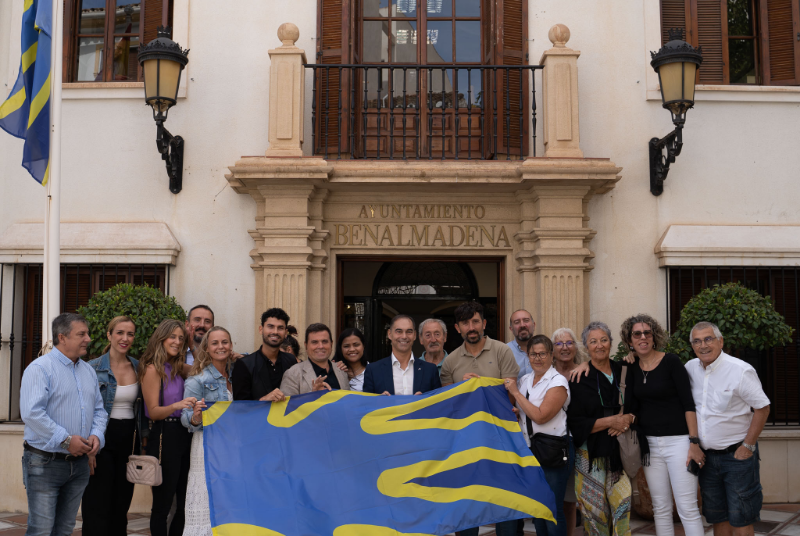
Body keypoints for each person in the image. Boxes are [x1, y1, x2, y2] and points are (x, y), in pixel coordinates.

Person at [20, 313, 107, 536]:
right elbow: (31, 413)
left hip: (79, 466)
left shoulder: (88, 371)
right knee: (41, 530)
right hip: (44, 463)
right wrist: (66, 440)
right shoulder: (40, 369)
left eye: (87, 333)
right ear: (62, 337)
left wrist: (97, 435)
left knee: (65, 529)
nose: (88, 338)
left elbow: (99, 410)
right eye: (81, 334)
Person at [618, 314, 704, 536]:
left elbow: (688, 404)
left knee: (687, 508)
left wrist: (694, 442)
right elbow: (630, 406)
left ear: (654, 337)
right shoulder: (630, 367)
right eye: (637, 334)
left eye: (647, 333)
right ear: (630, 340)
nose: (643, 337)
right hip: (649, 448)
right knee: (661, 508)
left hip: (679, 443)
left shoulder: (671, 362)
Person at [440, 302, 519, 536]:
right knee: (467, 501)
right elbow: (447, 405)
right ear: (457, 328)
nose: (471, 327)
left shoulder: (502, 351)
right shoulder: (450, 362)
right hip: (465, 443)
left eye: (475, 321)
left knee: (504, 499)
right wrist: (461, 388)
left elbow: (511, 396)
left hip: (499, 438)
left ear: (484, 324)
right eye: (465, 323)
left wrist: (479, 388)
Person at [685, 322, 770, 536]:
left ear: (720, 341)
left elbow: (762, 407)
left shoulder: (740, 370)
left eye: (708, 339)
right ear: (692, 346)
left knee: (741, 518)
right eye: (697, 341)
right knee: (717, 517)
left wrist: (748, 446)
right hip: (707, 459)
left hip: (737, 458)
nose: (703, 345)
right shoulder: (690, 368)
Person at [567, 321, 634, 536]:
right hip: (590, 457)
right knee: (595, 518)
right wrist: (610, 422)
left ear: (611, 343)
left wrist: (629, 418)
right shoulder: (579, 378)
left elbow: (639, 404)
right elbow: (575, 422)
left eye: (603, 340)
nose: (599, 345)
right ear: (586, 347)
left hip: (619, 454)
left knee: (622, 511)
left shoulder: (625, 370)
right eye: (593, 341)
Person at [82, 316, 144, 536]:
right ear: (109, 335)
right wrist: (89, 450)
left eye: (130, 334)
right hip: (100, 437)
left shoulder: (139, 367)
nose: (125, 338)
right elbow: (85, 411)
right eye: (119, 333)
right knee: (96, 501)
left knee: (122, 501)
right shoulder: (92, 368)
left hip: (129, 438)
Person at [505, 335, 572, 536]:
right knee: (538, 509)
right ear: (528, 356)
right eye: (533, 354)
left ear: (551, 355)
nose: (538, 358)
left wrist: (516, 394)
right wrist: (518, 412)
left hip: (553, 450)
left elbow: (541, 416)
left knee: (551, 509)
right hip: (530, 452)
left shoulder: (558, 381)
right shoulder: (525, 380)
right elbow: (526, 413)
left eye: (543, 353)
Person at [139, 319, 197, 536]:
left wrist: (193, 345)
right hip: (164, 435)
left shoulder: (177, 367)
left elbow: (203, 369)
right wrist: (177, 405)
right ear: (161, 338)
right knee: (162, 504)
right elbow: (152, 411)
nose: (177, 341)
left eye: (181, 338)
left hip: (185, 434)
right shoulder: (152, 369)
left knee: (184, 502)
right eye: (172, 336)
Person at [181, 327, 235, 536]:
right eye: (215, 343)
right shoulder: (198, 379)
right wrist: (195, 416)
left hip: (231, 446)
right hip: (207, 445)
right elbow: (185, 418)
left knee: (228, 499)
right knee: (206, 497)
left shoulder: (236, 375)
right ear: (207, 348)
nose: (220, 347)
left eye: (225, 342)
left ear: (231, 346)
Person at [551, 327, 588, 536]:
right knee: (557, 499)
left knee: (570, 501)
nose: (564, 348)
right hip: (555, 445)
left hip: (581, 442)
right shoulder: (546, 374)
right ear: (552, 349)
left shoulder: (585, 372)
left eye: (569, 342)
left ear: (575, 346)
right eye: (559, 343)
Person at [363, 315, 441, 395]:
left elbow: (439, 404)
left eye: (409, 332)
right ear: (389, 334)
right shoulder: (373, 370)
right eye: (399, 331)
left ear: (414, 335)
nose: (404, 336)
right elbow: (367, 404)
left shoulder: (430, 370)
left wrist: (425, 401)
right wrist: (379, 401)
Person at [231, 308, 297, 402]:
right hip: (257, 417)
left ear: (285, 333)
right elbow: (240, 407)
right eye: (270, 326)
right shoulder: (244, 365)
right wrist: (263, 400)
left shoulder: (291, 360)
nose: (275, 332)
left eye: (280, 328)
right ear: (261, 329)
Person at [280, 323, 350, 395]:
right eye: (314, 342)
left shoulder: (341, 370)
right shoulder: (293, 374)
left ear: (331, 344)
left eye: (324, 341)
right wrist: (313, 396)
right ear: (306, 345)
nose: (320, 346)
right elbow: (287, 405)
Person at [507, 309, 535, 380]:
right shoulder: (505, 351)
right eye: (517, 322)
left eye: (526, 320)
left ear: (534, 325)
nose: (522, 325)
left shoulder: (545, 349)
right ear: (511, 329)